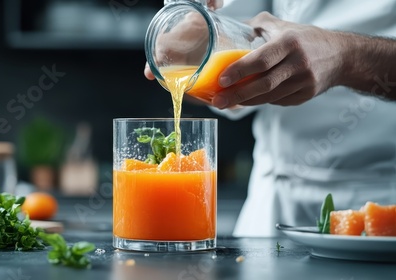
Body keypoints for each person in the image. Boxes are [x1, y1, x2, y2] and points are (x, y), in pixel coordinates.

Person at [144, 0, 396, 237]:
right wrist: (185, 44)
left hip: (381, 198)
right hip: (273, 201)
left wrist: (347, 57)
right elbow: (229, 42)